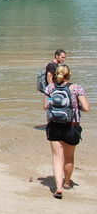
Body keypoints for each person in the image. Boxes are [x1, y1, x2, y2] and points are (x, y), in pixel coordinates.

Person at [43, 64, 90, 199]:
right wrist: (76, 106)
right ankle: (67, 182)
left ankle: (58, 187)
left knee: (57, 158)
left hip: (54, 125)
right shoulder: (77, 88)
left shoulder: (50, 88)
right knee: (68, 157)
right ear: (69, 75)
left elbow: (45, 106)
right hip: (72, 126)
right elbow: (86, 108)